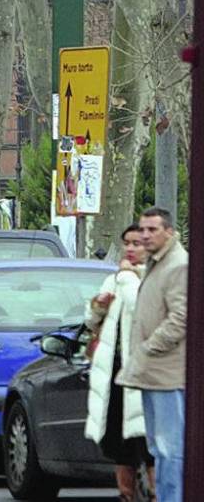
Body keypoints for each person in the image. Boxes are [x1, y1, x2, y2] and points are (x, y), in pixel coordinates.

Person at [117, 207, 188, 502]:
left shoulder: (177, 265)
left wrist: (149, 348)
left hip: (167, 373)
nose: (145, 235)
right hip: (152, 372)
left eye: (152, 230)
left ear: (169, 232)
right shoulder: (158, 263)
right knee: (158, 448)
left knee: (171, 450)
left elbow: (180, 318)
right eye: (142, 229)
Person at [84, 224, 153, 502]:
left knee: (146, 438)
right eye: (127, 243)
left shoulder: (150, 277)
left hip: (143, 370)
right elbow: (90, 321)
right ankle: (126, 495)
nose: (131, 249)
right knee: (117, 437)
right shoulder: (114, 279)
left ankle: (155, 493)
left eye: (137, 243)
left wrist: (126, 276)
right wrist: (98, 306)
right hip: (114, 370)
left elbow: (139, 308)